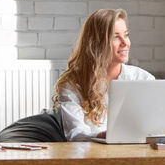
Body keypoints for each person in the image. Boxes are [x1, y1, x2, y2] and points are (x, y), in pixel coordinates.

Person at [52, 8, 155, 142]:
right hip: (93, 156)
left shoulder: (143, 79)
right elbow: (75, 133)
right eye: (115, 37)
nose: (125, 43)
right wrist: (100, 136)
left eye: (126, 34)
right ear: (96, 43)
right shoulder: (73, 85)